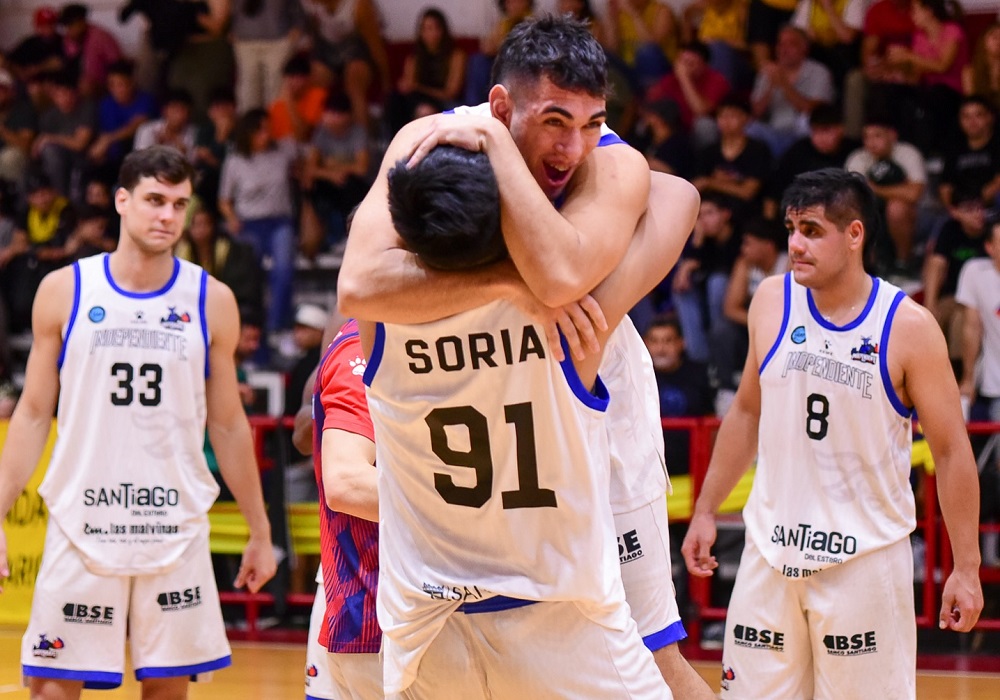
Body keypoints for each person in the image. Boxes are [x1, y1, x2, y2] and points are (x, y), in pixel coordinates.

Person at [340, 15, 712, 699]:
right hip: (536, 373)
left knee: (660, 653)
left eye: (592, 122)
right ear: (501, 107)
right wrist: (511, 285)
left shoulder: (608, 161)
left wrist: (562, 292)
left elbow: (567, 276)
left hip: (584, 391)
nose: (572, 147)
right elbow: (358, 285)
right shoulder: (436, 143)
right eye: (554, 122)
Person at [681, 167, 984, 699]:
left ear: (854, 234)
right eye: (791, 229)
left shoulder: (908, 327)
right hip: (770, 554)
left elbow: (952, 451)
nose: (795, 244)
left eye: (812, 230)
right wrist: (706, 508)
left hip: (863, 563)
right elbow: (747, 412)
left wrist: (966, 566)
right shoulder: (771, 300)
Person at [0, 145, 277, 696]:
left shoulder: (212, 299)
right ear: (122, 201)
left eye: (179, 204)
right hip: (83, 521)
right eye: (154, 200)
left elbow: (228, 424)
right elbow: (31, 415)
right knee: (51, 687)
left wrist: (260, 530)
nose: (168, 215)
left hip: (174, 525)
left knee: (169, 689)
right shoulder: (65, 290)